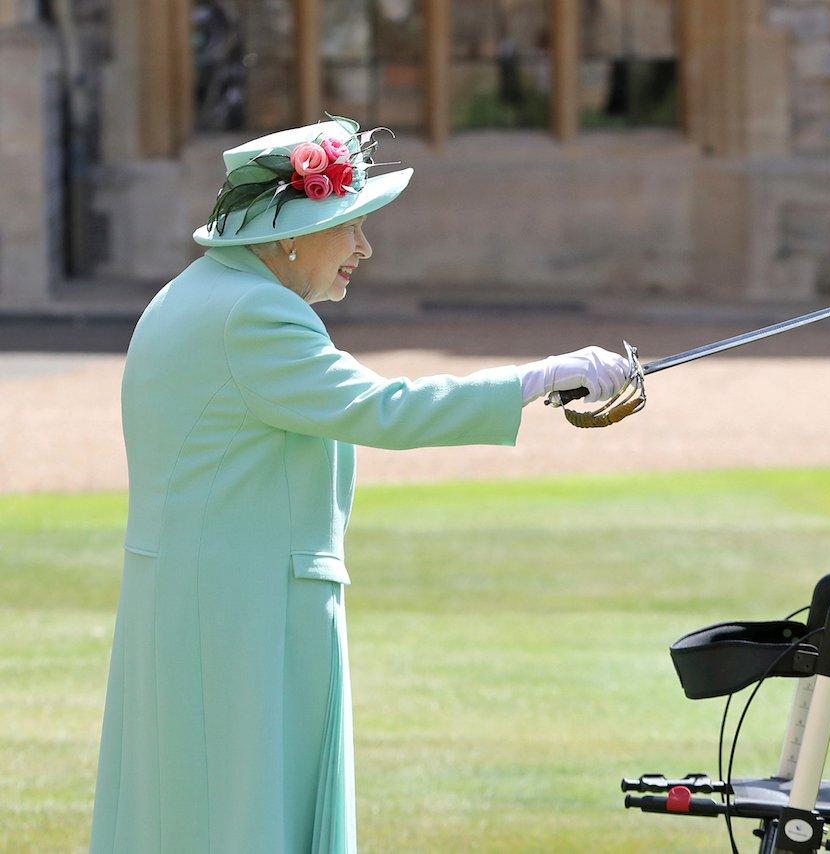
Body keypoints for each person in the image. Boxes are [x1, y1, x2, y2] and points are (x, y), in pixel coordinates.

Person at [89, 117, 631, 853]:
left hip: (206, 602)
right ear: (290, 233)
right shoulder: (254, 313)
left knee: (193, 811)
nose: (363, 248)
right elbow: (385, 409)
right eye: (348, 225)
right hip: (240, 613)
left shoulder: (196, 294)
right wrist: (537, 378)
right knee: (243, 816)